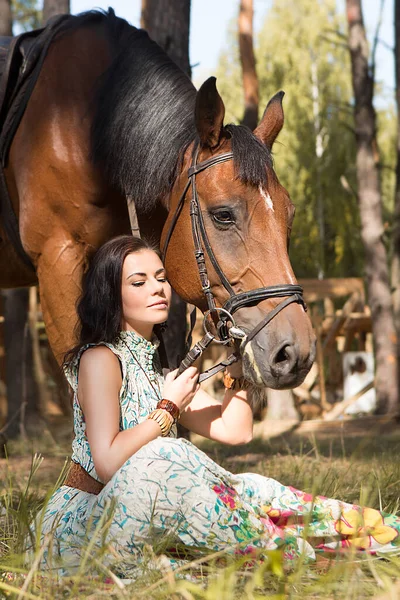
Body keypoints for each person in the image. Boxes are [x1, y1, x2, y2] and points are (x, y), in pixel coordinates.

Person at [38, 235, 400, 577]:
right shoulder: (100, 359)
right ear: (111, 295)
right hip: (83, 524)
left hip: (137, 509)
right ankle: (291, 555)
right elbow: (106, 461)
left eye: (161, 278)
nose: (157, 288)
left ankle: (379, 535)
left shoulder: (155, 372)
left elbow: (235, 431)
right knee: (168, 457)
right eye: (139, 281)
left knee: (255, 487)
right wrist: (168, 409)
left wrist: (237, 356)